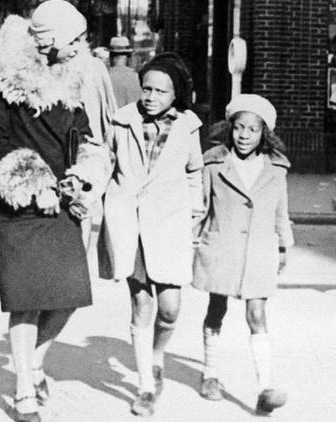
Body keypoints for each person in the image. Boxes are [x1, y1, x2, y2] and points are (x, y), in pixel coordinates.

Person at [0, 0, 110, 422]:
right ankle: (23, 388)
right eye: (74, 38)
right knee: (26, 299)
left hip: (63, 198)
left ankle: (33, 362)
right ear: (48, 39)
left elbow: (84, 134)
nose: (80, 46)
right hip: (16, 199)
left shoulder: (72, 74)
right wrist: (36, 184)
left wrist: (81, 175)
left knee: (70, 293)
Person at [98, 54, 203, 417]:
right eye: (147, 88)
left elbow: (194, 172)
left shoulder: (188, 126)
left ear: (176, 95)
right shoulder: (123, 120)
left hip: (171, 222)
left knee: (170, 309)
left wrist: (194, 215)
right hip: (131, 222)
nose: (152, 96)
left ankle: (157, 354)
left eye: (161, 90)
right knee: (142, 303)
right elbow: (104, 163)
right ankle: (144, 386)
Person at [193, 93, 294, 415]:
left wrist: (283, 244)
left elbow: (281, 210)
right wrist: (194, 238)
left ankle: (265, 387)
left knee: (257, 314)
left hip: (259, 251)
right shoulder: (213, 163)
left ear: (264, 133)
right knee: (216, 307)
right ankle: (210, 374)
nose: (244, 135)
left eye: (253, 129)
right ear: (229, 128)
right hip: (222, 246)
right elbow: (201, 206)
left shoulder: (275, 168)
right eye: (239, 128)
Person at [107, 35, 142, 107]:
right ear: (129, 56)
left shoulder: (105, 77)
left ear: (110, 56)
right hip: (132, 117)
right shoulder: (137, 78)